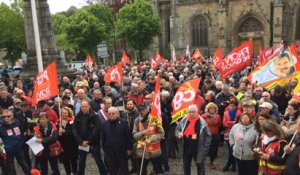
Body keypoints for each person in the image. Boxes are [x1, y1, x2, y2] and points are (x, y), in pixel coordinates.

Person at [72, 100, 107, 175]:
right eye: (83, 106)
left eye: (86, 106)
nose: (84, 108)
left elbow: (97, 130)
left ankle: (104, 173)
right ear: (81, 107)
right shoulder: (77, 116)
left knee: (98, 160)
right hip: (82, 142)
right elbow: (75, 130)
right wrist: (80, 141)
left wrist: (88, 141)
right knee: (81, 162)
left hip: (94, 142)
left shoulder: (95, 116)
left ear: (89, 106)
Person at [175, 104, 212, 175]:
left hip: (198, 149)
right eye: (189, 112)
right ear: (187, 112)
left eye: (193, 112)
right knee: (186, 167)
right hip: (186, 148)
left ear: (197, 112)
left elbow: (208, 136)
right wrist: (179, 133)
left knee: (200, 168)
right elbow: (177, 130)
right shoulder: (184, 120)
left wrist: (205, 149)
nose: (191, 113)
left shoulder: (202, 122)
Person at [132, 104, 164, 175]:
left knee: (157, 170)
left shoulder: (155, 119)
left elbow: (161, 133)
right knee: (141, 170)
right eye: (139, 110)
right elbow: (134, 135)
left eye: (143, 110)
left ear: (147, 109)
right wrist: (143, 133)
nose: (141, 112)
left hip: (155, 150)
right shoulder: (137, 120)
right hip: (142, 150)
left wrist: (151, 140)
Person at [102, 107, 133, 175]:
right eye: (109, 113)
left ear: (117, 114)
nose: (111, 115)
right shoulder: (104, 124)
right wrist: (105, 150)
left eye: (113, 113)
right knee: (112, 171)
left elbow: (128, 136)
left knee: (124, 171)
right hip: (110, 153)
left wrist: (129, 149)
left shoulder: (123, 122)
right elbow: (103, 138)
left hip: (122, 152)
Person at [0, 109, 31, 175]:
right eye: (4, 116)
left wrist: (21, 141)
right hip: (8, 151)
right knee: (11, 168)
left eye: (8, 116)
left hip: (18, 148)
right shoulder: (1, 126)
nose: (6, 118)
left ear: (12, 116)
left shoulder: (17, 122)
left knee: (24, 164)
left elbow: (21, 132)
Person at [57, 107, 78, 175]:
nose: (64, 114)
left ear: (68, 113)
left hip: (72, 144)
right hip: (63, 144)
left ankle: (74, 172)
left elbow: (74, 132)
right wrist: (58, 133)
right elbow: (56, 134)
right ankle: (68, 172)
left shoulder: (72, 121)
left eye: (65, 113)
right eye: (62, 113)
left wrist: (65, 131)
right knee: (65, 160)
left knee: (73, 160)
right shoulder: (58, 122)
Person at [201, 102, 221, 170]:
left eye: (214, 108)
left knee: (213, 150)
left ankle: (211, 162)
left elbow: (218, 124)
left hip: (215, 134)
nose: (212, 110)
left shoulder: (217, 116)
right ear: (208, 109)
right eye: (211, 108)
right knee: (205, 149)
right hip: (206, 135)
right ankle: (201, 161)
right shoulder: (203, 116)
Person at [222, 100, 241, 172]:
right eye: (230, 106)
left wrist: (229, 122)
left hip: (236, 133)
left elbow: (238, 123)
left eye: (233, 106)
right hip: (227, 133)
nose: (231, 107)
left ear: (236, 107)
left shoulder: (239, 113)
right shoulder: (225, 113)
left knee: (233, 150)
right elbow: (224, 124)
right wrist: (233, 122)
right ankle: (233, 165)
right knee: (230, 150)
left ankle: (229, 165)